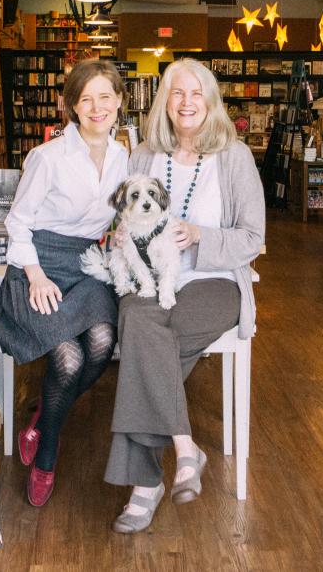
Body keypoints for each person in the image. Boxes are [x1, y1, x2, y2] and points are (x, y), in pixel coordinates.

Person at [106, 58, 265, 533]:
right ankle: (184, 449)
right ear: (164, 102)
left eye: (197, 93)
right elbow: (121, 216)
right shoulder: (143, 156)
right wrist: (120, 237)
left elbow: (253, 238)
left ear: (211, 101)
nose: (187, 102)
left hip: (215, 282)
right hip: (152, 279)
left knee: (142, 341)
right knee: (140, 324)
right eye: (177, 93)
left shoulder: (234, 157)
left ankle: (144, 485)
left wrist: (200, 236)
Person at [0, 58, 128, 507]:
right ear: (71, 106)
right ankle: (47, 453)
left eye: (105, 97)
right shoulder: (47, 157)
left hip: (87, 263)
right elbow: (18, 223)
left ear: (120, 103)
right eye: (85, 98)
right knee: (68, 359)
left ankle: (41, 421)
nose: (96, 107)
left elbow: (118, 217)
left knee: (103, 342)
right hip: (40, 264)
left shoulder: (124, 156)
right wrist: (33, 276)